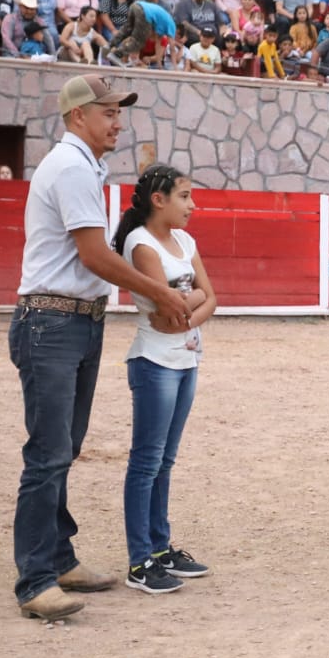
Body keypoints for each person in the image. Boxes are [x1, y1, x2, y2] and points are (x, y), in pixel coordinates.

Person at [8, 75, 191, 622]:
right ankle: (35, 580)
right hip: (54, 322)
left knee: (63, 447)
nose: (117, 122)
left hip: (72, 321)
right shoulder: (71, 167)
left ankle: (58, 558)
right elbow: (92, 255)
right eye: (107, 112)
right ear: (77, 116)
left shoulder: (83, 166)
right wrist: (160, 290)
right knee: (49, 453)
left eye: (118, 112)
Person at [111, 164, 215, 594]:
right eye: (184, 196)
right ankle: (140, 562)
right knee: (147, 462)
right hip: (154, 361)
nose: (192, 205)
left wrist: (186, 309)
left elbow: (209, 299)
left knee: (163, 461)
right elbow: (169, 309)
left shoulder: (185, 241)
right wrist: (188, 305)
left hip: (185, 359)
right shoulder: (140, 243)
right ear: (159, 200)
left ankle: (159, 548)